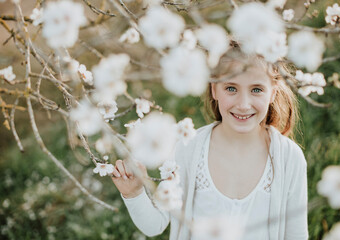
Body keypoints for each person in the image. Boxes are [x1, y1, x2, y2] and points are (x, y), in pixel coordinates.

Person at [111, 50, 308, 240]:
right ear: (214, 88)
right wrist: (134, 193)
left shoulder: (289, 158)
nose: (243, 104)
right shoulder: (188, 148)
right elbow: (155, 224)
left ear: (273, 93)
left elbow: (296, 235)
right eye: (231, 88)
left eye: (256, 89)